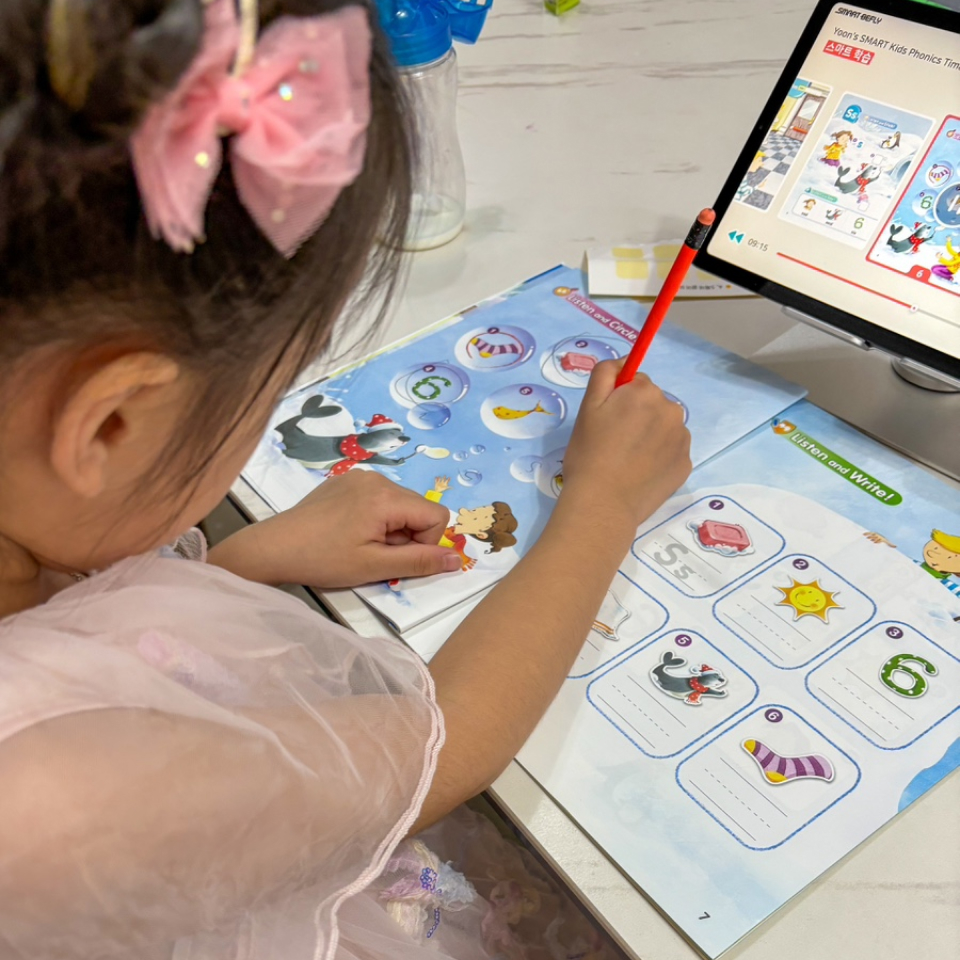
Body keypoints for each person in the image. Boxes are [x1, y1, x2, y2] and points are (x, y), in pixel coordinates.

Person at [0, 0, 691, 958]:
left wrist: (244, 562)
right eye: (271, 387)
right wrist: (604, 503)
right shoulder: (48, 797)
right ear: (111, 421)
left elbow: (80, 646)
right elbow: (444, 746)